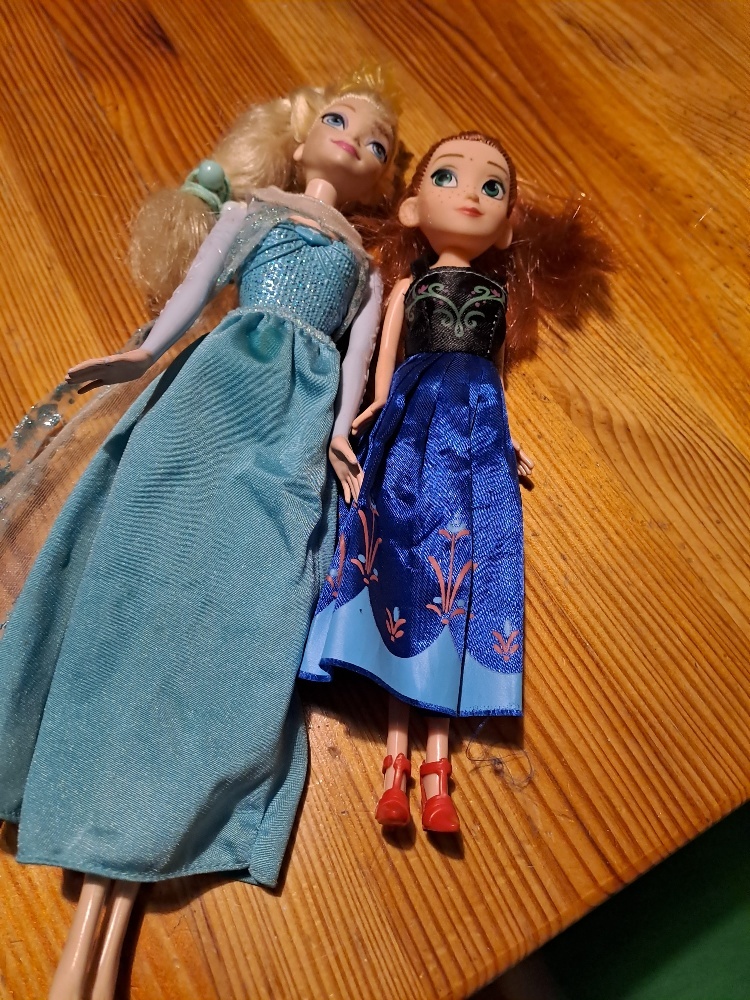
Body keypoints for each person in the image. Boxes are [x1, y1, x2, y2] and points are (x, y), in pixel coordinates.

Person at [0, 70, 398, 1000]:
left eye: (376, 142)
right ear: (300, 138)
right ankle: (94, 892)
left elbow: (353, 373)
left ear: (385, 180)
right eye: (341, 121)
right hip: (216, 392)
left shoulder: (366, 268)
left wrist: (342, 436)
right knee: (139, 565)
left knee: (244, 604)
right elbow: (193, 295)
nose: (355, 140)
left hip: (296, 432)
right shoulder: (255, 213)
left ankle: (125, 878)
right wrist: (140, 353)